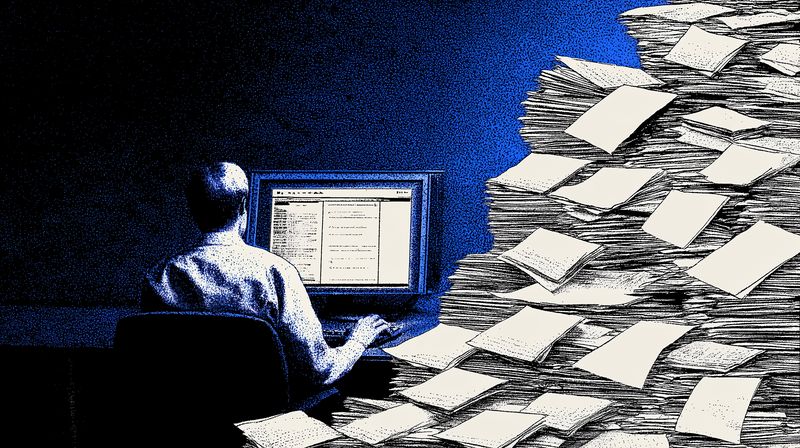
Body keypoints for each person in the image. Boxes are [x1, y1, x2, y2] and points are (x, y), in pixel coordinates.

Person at [141, 162, 390, 399]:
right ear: (242, 206)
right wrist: (358, 340)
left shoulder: (159, 277)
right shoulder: (275, 273)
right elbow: (320, 371)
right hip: (264, 425)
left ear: (193, 210)